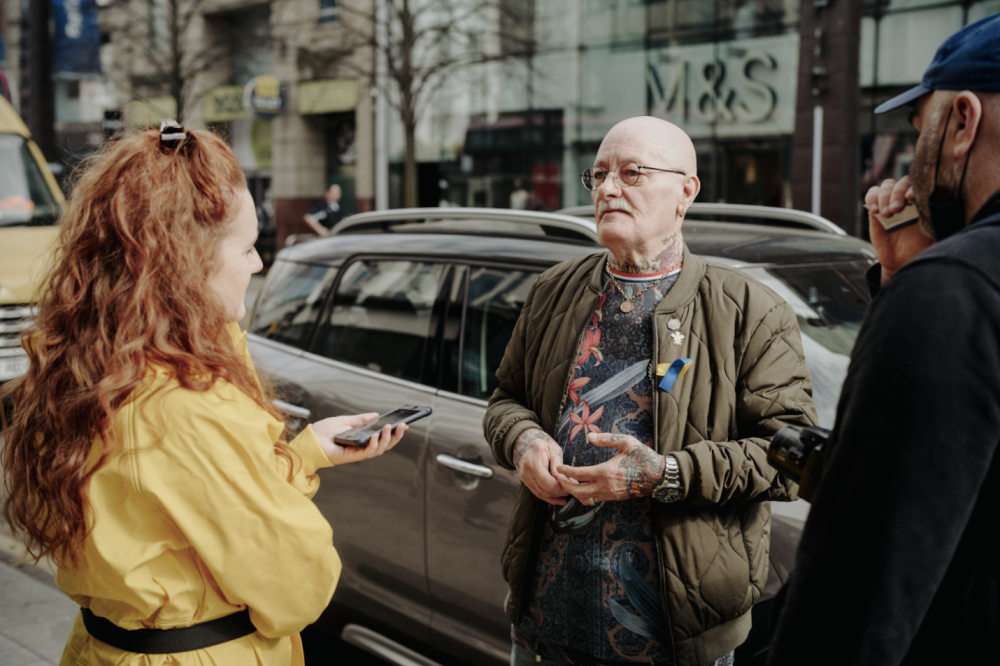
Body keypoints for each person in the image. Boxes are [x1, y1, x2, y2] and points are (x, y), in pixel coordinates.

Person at [0, 123, 406, 666]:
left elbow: (174, 511)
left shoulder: (91, 359)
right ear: (184, 263)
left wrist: (307, 453)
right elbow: (296, 585)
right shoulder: (186, 400)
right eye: (246, 248)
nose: (258, 264)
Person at [483, 116, 817, 666]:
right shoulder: (553, 291)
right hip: (545, 623)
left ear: (686, 192)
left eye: (633, 173)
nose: (609, 188)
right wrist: (522, 441)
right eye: (600, 175)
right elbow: (504, 400)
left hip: (674, 638)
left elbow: (790, 459)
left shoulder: (750, 311)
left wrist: (664, 474)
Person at [767, 14, 1000, 665]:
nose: (911, 152)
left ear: (961, 123)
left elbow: (851, 601)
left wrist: (922, 287)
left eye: (919, 125)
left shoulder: (956, 291)